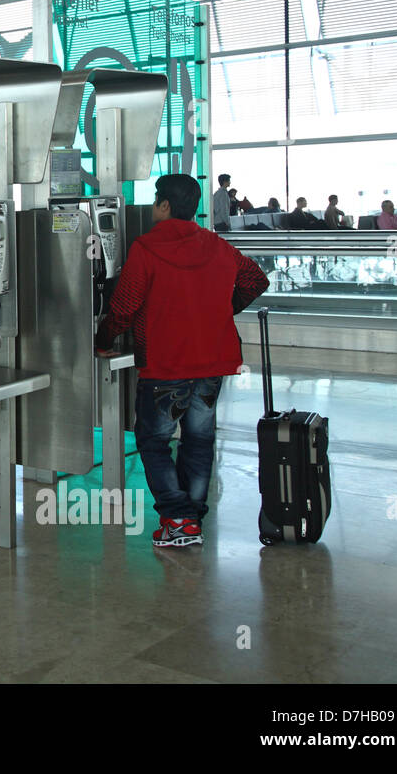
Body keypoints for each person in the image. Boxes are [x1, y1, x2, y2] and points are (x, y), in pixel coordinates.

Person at [94, 173, 269, 548]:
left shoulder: (146, 248)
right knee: (199, 440)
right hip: (213, 363)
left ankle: (177, 517)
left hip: (166, 364)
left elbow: (124, 307)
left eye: (157, 200)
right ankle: (191, 520)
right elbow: (256, 280)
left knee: (154, 440)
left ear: (165, 206)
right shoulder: (217, 245)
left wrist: (103, 339)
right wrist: (221, 311)